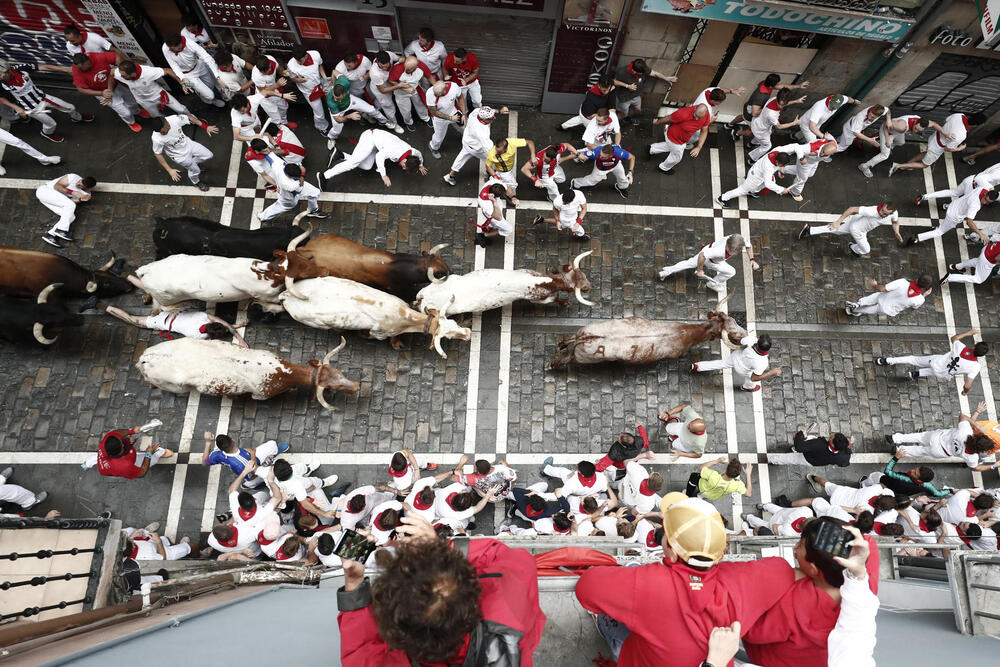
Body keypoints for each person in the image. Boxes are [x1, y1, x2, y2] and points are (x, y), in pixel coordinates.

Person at [574, 493, 797, 666]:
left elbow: (586, 588)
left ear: (669, 548)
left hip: (641, 660)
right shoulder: (742, 582)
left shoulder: (649, 583)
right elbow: (783, 570)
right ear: (721, 553)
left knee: (611, 620)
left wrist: (643, 572)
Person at [337, 514, 544, 665]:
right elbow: (516, 559)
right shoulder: (507, 609)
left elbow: (359, 654)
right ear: (474, 594)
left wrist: (354, 582)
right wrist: (441, 548)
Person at [741, 518, 879, 667]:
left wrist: (788, 573)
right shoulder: (863, 584)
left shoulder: (796, 602)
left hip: (772, 659)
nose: (795, 548)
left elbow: (752, 632)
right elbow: (866, 542)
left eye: (800, 546)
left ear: (813, 569)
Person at [0, 60, 93, 143]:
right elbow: (1, 98)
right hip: (32, 108)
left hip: (43, 97)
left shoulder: (19, 69)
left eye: (2, 75)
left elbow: (44, 67)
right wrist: (16, 107)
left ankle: (77, 118)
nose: (2, 78)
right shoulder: (1, 83)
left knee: (70, 107)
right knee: (51, 124)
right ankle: (47, 133)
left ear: (9, 70)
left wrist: (65, 69)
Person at [889, 405, 998, 471]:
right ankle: (898, 451)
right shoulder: (972, 457)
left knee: (918, 437)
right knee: (919, 451)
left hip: (937, 437)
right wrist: (993, 466)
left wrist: (978, 425)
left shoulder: (966, 432)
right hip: (940, 451)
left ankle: (895, 438)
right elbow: (975, 468)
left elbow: (962, 416)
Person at [877, 328, 986, 393]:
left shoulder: (961, 348)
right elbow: (967, 385)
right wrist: (965, 392)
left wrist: (968, 333)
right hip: (944, 374)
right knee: (933, 371)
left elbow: (954, 338)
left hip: (936, 362)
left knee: (913, 359)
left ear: (974, 347)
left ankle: (887, 360)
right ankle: (916, 374)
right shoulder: (976, 367)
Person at [318, 128, 427, 188]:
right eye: (404, 166)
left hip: (377, 144)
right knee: (353, 164)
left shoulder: (413, 153)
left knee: (367, 166)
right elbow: (379, 157)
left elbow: (419, 155)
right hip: (369, 138)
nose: (403, 168)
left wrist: (420, 165)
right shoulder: (394, 152)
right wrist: (384, 176)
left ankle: (341, 155)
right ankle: (325, 176)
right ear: (405, 160)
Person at [890, 111, 982, 175]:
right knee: (924, 165)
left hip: (934, 137)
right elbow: (947, 149)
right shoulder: (962, 135)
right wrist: (960, 148)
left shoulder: (959, 115)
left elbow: (945, 121)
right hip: (937, 148)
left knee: (926, 153)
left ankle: (908, 164)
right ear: (975, 125)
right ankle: (899, 166)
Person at [657, 233, 756, 291]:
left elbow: (749, 246)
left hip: (711, 255)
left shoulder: (738, 239)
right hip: (710, 259)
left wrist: (752, 260)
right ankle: (666, 272)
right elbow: (702, 256)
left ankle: (667, 271)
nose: (733, 253)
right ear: (728, 245)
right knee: (731, 272)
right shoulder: (718, 251)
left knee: (690, 263)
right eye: (731, 250)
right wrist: (700, 270)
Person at [70, 52, 141, 132]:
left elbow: (116, 56)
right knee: (126, 113)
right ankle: (131, 122)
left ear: (89, 61)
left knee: (133, 102)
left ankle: (137, 112)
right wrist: (101, 93)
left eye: (84, 67)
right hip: (101, 92)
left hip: (116, 85)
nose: (82, 70)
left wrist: (118, 67)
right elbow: (81, 89)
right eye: (80, 68)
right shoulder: (77, 71)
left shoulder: (97, 56)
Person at [904, 185, 994, 247]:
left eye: (987, 202)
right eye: (985, 199)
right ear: (986, 194)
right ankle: (917, 238)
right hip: (954, 217)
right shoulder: (975, 205)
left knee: (943, 225)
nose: (984, 202)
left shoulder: (982, 188)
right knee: (939, 232)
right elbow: (969, 222)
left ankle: (925, 197)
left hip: (953, 206)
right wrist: (981, 234)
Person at [799, 201, 900, 256]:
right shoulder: (872, 211)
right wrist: (839, 221)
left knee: (836, 230)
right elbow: (852, 209)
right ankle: (852, 247)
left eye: (885, 213)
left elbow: (895, 222)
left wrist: (896, 232)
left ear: (891, 213)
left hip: (856, 222)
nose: (881, 213)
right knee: (866, 250)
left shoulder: (894, 213)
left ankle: (809, 230)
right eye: (882, 210)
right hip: (857, 230)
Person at [105, 306, 246, 344]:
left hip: (170, 311)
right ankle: (107, 308)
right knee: (132, 320)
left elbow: (224, 324)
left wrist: (236, 328)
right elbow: (224, 327)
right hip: (161, 323)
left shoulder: (204, 317)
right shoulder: (199, 337)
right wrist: (238, 335)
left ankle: (131, 278)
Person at [691, 333, 780, 392]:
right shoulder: (762, 363)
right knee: (750, 380)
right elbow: (754, 378)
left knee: (720, 363)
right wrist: (771, 373)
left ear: (758, 343)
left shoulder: (751, 340)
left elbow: (740, 341)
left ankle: (697, 366)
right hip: (743, 370)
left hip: (736, 357)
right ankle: (747, 387)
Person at [150, 113, 217, 191]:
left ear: (167, 123)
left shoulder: (174, 119)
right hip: (180, 156)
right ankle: (196, 182)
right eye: (160, 132)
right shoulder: (157, 139)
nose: (162, 133)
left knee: (209, 155)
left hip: (188, 144)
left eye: (163, 131)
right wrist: (169, 170)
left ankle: (194, 163)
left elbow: (189, 117)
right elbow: (157, 154)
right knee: (196, 171)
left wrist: (205, 127)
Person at [444, 105, 507, 185]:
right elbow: (490, 149)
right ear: (485, 119)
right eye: (492, 117)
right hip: (477, 149)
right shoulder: (482, 132)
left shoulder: (476, 112)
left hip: (467, 142)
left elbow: (488, 110)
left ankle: (450, 176)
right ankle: (489, 174)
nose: (494, 117)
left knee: (461, 158)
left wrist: (499, 111)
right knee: (490, 160)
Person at [727, 73, 809, 134]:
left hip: (749, 106)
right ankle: (737, 133)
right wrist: (768, 109)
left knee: (742, 117)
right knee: (751, 131)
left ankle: (729, 125)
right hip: (751, 111)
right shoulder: (761, 96)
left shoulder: (764, 83)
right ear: (772, 86)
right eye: (776, 84)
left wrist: (798, 86)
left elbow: (783, 86)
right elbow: (755, 113)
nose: (778, 85)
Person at [202, 431, 290, 487]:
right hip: (253, 470)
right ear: (232, 440)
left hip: (250, 461)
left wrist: (208, 442)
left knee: (272, 444)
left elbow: (204, 462)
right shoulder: (241, 463)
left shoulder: (216, 454)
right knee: (264, 477)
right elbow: (253, 473)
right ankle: (253, 485)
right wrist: (253, 454)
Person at [325, 73, 392, 146]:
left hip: (350, 101)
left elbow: (334, 71)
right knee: (337, 130)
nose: (335, 99)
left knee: (371, 109)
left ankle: (384, 121)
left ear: (344, 93)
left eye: (338, 98)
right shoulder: (331, 101)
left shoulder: (345, 82)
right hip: (339, 110)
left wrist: (333, 82)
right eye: (334, 96)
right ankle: (331, 137)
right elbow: (338, 119)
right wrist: (349, 116)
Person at [161, 33, 224, 107]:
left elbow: (208, 58)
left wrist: (217, 77)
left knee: (211, 85)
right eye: (170, 49)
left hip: (199, 66)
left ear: (180, 43)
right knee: (210, 95)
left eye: (175, 49)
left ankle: (200, 91)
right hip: (187, 75)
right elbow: (173, 66)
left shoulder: (190, 43)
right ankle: (210, 101)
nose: (171, 51)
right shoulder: (165, 48)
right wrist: (183, 79)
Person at [111, 60, 191, 119]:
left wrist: (182, 83)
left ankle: (191, 119)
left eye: (124, 76)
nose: (121, 77)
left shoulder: (148, 72)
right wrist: (109, 90)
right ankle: (168, 125)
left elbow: (168, 70)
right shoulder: (119, 73)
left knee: (181, 109)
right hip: (144, 101)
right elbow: (111, 74)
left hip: (160, 95)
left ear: (132, 74)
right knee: (158, 117)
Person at [858, 114, 931, 177]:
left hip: (895, 132)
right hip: (886, 131)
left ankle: (882, 147)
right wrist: (887, 140)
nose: (915, 131)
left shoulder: (920, 120)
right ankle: (864, 166)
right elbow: (885, 124)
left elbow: (933, 124)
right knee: (885, 155)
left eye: (918, 131)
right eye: (915, 129)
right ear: (915, 122)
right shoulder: (902, 126)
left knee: (901, 142)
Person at [716, 150, 795, 208]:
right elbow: (768, 184)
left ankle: (753, 192)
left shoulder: (776, 153)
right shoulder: (768, 167)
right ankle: (722, 198)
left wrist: (779, 171)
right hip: (755, 178)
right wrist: (781, 189)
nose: (783, 167)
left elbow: (776, 168)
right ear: (777, 162)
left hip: (758, 172)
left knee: (772, 180)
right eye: (783, 165)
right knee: (742, 190)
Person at [36, 173, 96, 248]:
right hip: (45, 191)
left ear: (88, 188)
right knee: (70, 205)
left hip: (52, 200)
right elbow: (57, 186)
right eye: (80, 181)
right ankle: (61, 230)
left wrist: (80, 199)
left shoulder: (85, 194)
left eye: (81, 186)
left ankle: (50, 235)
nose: (78, 184)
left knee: (71, 216)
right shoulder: (73, 177)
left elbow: (70, 201)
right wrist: (73, 192)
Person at [743, 88, 804, 161]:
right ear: (778, 99)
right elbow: (779, 126)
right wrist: (794, 123)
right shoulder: (772, 114)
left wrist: (796, 101)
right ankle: (752, 159)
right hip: (761, 130)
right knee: (767, 146)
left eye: (783, 104)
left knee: (760, 139)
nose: (781, 107)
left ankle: (751, 144)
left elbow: (784, 103)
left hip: (758, 123)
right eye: (780, 104)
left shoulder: (774, 99)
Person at [648, 103, 710, 174]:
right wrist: (657, 122)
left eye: (699, 117)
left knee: (669, 147)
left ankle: (651, 149)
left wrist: (699, 147)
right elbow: (668, 118)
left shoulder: (706, 115)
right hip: (675, 139)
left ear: (705, 114)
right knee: (676, 158)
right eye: (696, 115)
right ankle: (663, 168)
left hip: (678, 140)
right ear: (695, 109)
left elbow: (704, 131)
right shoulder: (683, 113)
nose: (696, 119)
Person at [259, 161, 327, 223]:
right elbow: (300, 185)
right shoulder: (291, 185)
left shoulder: (278, 164)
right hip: (288, 196)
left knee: (314, 192)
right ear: (289, 176)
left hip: (292, 185)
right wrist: (302, 174)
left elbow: (271, 156)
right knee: (281, 206)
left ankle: (313, 210)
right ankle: (263, 217)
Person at [615, 57, 677, 125]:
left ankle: (626, 117)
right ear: (634, 71)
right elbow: (614, 81)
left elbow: (654, 73)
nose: (642, 75)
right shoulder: (623, 72)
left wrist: (666, 78)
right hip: (624, 98)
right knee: (623, 114)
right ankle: (612, 124)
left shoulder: (642, 67)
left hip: (635, 95)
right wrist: (627, 86)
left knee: (637, 110)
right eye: (640, 74)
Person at [94, 427, 174, 479]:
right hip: (123, 467)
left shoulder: (107, 440)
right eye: (122, 445)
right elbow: (142, 473)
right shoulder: (124, 466)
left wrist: (132, 431)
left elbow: (117, 433)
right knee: (152, 459)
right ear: (120, 454)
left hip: (112, 469)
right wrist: (148, 454)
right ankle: (159, 454)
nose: (123, 443)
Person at [859, 452, 950, 498]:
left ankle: (863, 484)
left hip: (884, 481)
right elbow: (937, 493)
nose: (912, 470)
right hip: (896, 493)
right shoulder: (927, 485)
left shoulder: (902, 479)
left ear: (920, 480)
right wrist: (950, 491)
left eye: (915, 473)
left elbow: (888, 472)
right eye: (915, 469)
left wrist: (896, 458)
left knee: (873, 477)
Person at [286, 46, 331, 135]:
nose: (298, 62)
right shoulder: (291, 64)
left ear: (306, 56)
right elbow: (293, 79)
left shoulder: (315, 54)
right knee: (319, 112)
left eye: (300, 60)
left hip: (321, 83)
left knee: (334, 97)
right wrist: (300, 80)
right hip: (309, 91)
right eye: (296, 60)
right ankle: (322, 127)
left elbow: (319, 65)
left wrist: (325, 76)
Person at [778, 135, 838, 201]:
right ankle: (795, 192)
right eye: (823, 151)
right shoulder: (812, 147)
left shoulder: (833, 143)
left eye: (825, 154)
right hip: (805, 162)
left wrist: (825, 135)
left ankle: (783, 169)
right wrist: (802, 158)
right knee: (801, 179)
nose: (822, 155)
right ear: (824, 146)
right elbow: (797, 147)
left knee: (810, 174)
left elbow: (828, 136)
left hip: (814, 162)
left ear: (832, 154)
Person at [845, 274, 932, 317]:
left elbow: (882, 289)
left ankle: (858, 304)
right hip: (888, 309)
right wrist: (923, 296)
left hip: (883, 297)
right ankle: (854, 310)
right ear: (925, 287)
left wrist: (875, 285)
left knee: (871, 299)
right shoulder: (920, 300)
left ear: (917, 279)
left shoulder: (902, 282)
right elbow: (913, 308)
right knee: (869, 310)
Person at [768, 424, 853, 467]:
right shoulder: (842, 457)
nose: (830, 436)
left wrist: (800, 434)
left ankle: (772, 460)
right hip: (813, 462)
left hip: (806, 457)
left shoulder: (819, 444)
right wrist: (848, 445)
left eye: (831, 437)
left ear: (833, 444)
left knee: (788, 459)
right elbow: (844, 463)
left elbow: (800, 447)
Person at [388, 56, 433, 132]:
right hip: (401, 93)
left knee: (420, 104)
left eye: (409, 69)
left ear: (416, 67)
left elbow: (430, 76)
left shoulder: (422, 66)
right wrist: (406, 89)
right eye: (406, 68)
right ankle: (409, 122)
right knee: (406, 110)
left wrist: (436, 87)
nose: (406, 70)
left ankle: (425, 117)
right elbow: (391, 81)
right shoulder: (397, 68)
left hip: (415, 89)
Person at [251, 54, 296, 127]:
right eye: (265, 71)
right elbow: (263, 92)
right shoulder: (257, 76)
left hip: (274, 90)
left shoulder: (270, 58)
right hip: (265, 97)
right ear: (260, 71)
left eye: (269, 68)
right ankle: (280, 130)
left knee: (284, 106)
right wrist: (277, 85)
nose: (269, 70)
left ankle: (284, 123)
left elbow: (278, 68)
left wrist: (283, 72)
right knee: (275, 116)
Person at [425, 79, 466, 159]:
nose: (435, 95)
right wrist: (450, 118)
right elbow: (434, 112)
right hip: (439, 118)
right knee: (438, 138)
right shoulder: (430, 93)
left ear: (445, 91)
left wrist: (464, 114)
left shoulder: (454, 87)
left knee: (465, 126)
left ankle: (467, 139)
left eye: (437, 94)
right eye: (435, 93)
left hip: (453, 111)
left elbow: (460, 98)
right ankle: (433, 147)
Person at [367, 51, 404, 134]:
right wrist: (398, 86)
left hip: (386, 82)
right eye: (382, 66)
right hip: (380, 89)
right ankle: (394, 124)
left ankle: (369, 114)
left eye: (386, 65)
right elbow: (382, 90)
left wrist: (401, 59)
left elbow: (400, 58)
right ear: (378, 62)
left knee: (380, 104)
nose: (385, 68)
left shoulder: (389, 54)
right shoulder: (375, 73)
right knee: (388, 106)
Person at [685, 457, 752, 500]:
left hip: (703, 486)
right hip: (713, 496)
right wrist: (748, 475)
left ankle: (688, 494)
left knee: (693, 477)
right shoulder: (736, 485)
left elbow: (701, 467)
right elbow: (748, 494)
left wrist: (717, 461)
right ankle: (701, 496)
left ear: (726, 468)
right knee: (708, 493)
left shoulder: (713, 475)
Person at [123, 526, 191, 561]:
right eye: (128, 539)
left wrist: (133, 536)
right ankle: (198, 555)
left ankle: (172, 544)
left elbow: (131, 540)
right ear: (132, 547)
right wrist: (158, 541)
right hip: (162, 554)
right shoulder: (148, 555)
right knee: (189, 547)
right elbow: (162, 559)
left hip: (151, 545)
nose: (129, 537)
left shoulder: (126, 550)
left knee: (165, 539)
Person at [745, 504, 814, 536]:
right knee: (763, 524)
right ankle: (748, 517)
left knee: (772, 507)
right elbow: (775, 526)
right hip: (773, 523)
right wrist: (777, 535)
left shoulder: (807, 511)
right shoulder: (790, 533)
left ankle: (763, 506)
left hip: (783, 511)